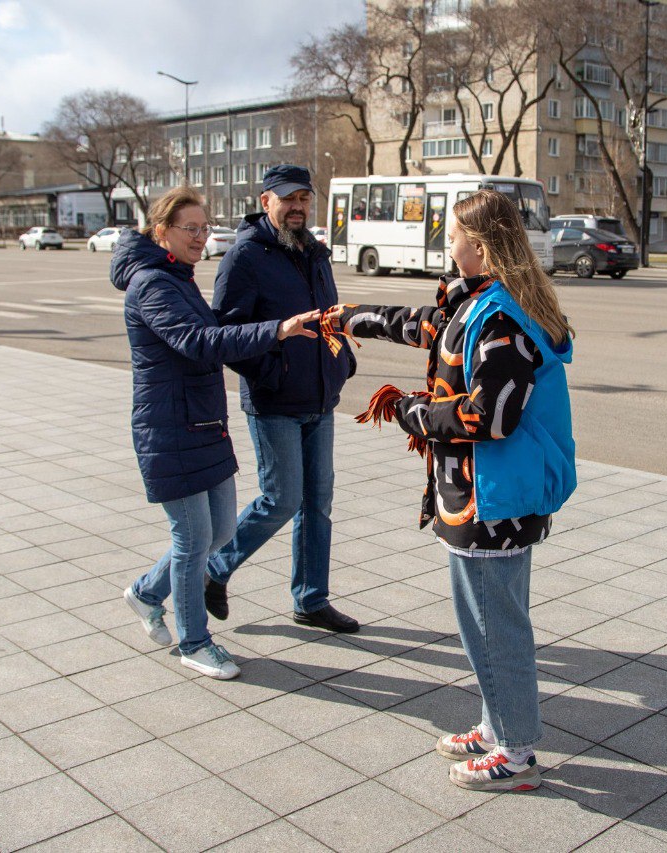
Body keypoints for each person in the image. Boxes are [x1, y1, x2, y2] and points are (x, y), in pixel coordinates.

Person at [325, 189, 576, 792]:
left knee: (495, 627)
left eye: (455, 233)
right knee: (483, 621)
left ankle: (515, 754)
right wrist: (342, 317)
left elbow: (491, 417)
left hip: (495, 500)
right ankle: (496, 727)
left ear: (480, 247)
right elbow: (416, 325)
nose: (448, 241)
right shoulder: (476, 301)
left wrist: (411, 411)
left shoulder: (500, 320)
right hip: (477, 492)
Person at [111, 186, 321, 680]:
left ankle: (145, 592)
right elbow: (198, 341)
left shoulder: (178, 277)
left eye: (205, 229)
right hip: (169, 428)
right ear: (161, 231)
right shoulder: (152, 284)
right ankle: (195, 641)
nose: (201, 238)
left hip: (204, 423)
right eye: (191, 229)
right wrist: (276, 329)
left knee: (221, 532)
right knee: (192, 540)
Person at [204, 165, 360, 633]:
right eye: (288, 198)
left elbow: (326, 316)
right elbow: (226, 334)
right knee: (281, 499)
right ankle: (214, 568)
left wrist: (342, 360)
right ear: (265, 199)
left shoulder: (314, 252)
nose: (297, 207)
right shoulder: (245, 257)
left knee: (318, 503)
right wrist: (273, 372)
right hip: (274, 401)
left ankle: (311, 600)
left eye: (304, 199)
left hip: (320, 398)